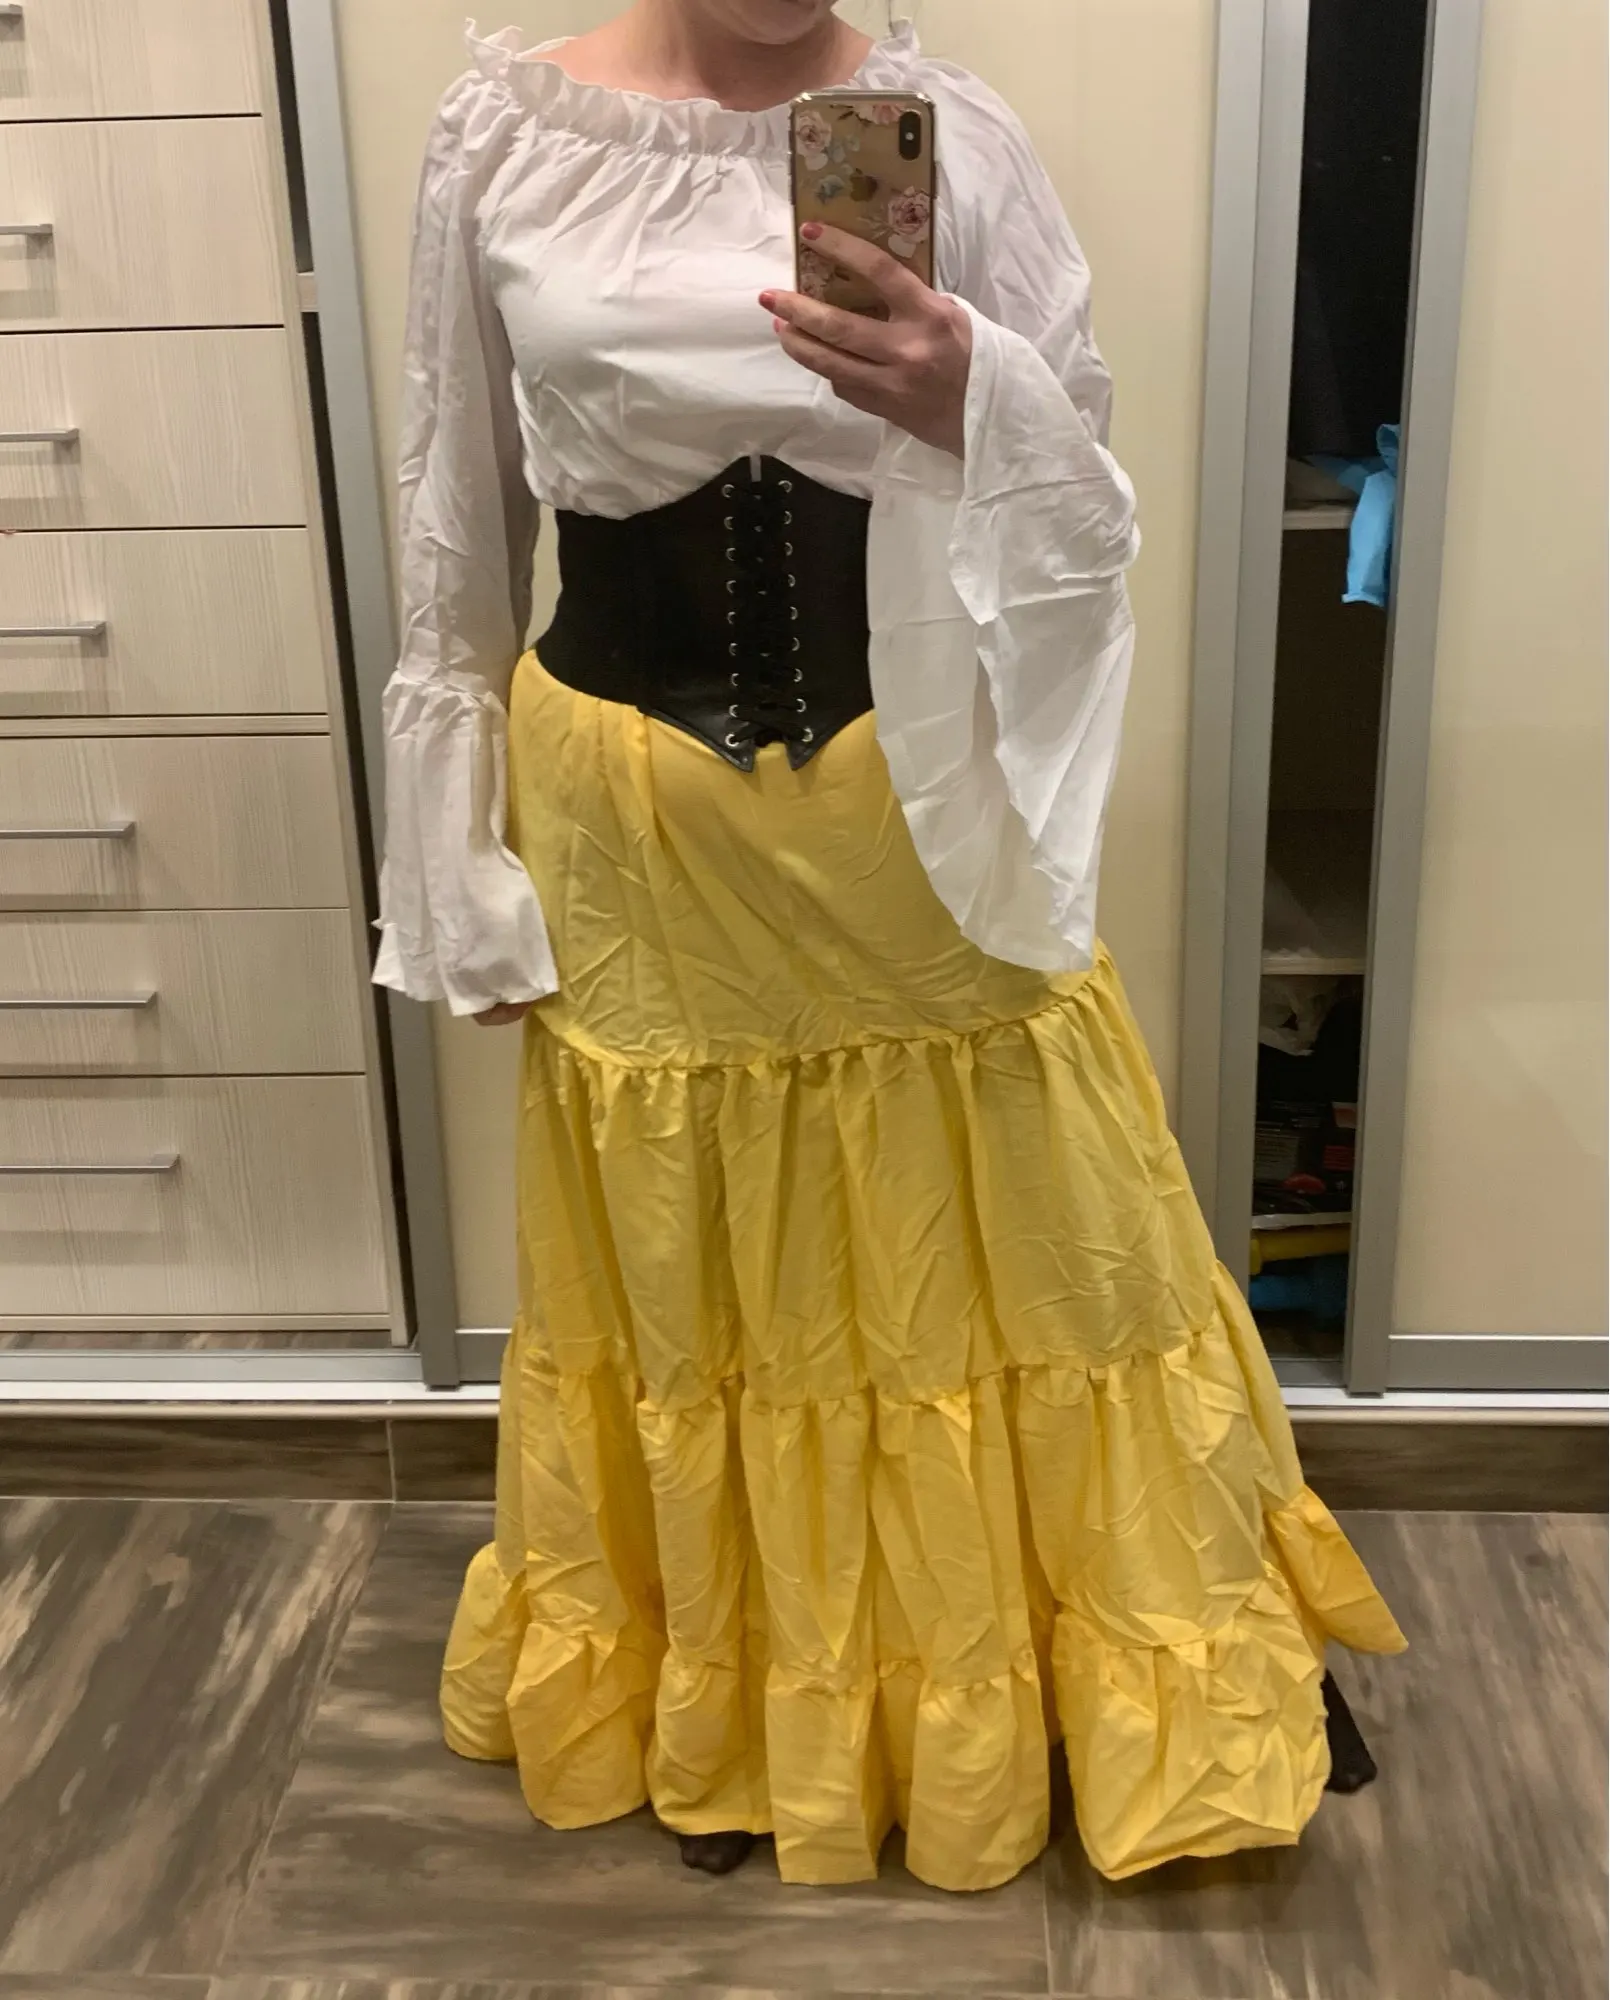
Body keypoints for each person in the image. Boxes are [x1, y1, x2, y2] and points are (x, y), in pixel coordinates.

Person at [375, 0, 1406, 1893]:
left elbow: (1083, 494)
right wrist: (453, 853)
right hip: (634, 810)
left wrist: (966, 395)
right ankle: (756, 1704)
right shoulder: (502, 135)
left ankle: (1145, 1653)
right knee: (700, 1268)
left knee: (1046, 1229)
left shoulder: (953, 131)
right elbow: (454, 506)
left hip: (916, 780)